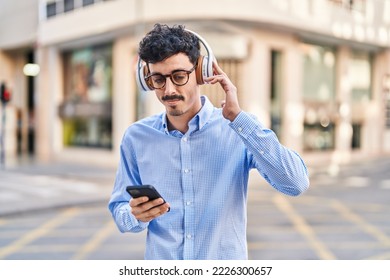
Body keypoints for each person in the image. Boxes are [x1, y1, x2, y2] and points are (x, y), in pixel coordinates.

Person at [108, 23, 309, 260]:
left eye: (179, 76)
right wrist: (135, 215)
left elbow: (296, 183)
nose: (169, 90)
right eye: (158, 79)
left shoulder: (238, 129)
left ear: (201, 72)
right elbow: (120, 212)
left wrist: (238, 119)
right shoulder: (136, 137)